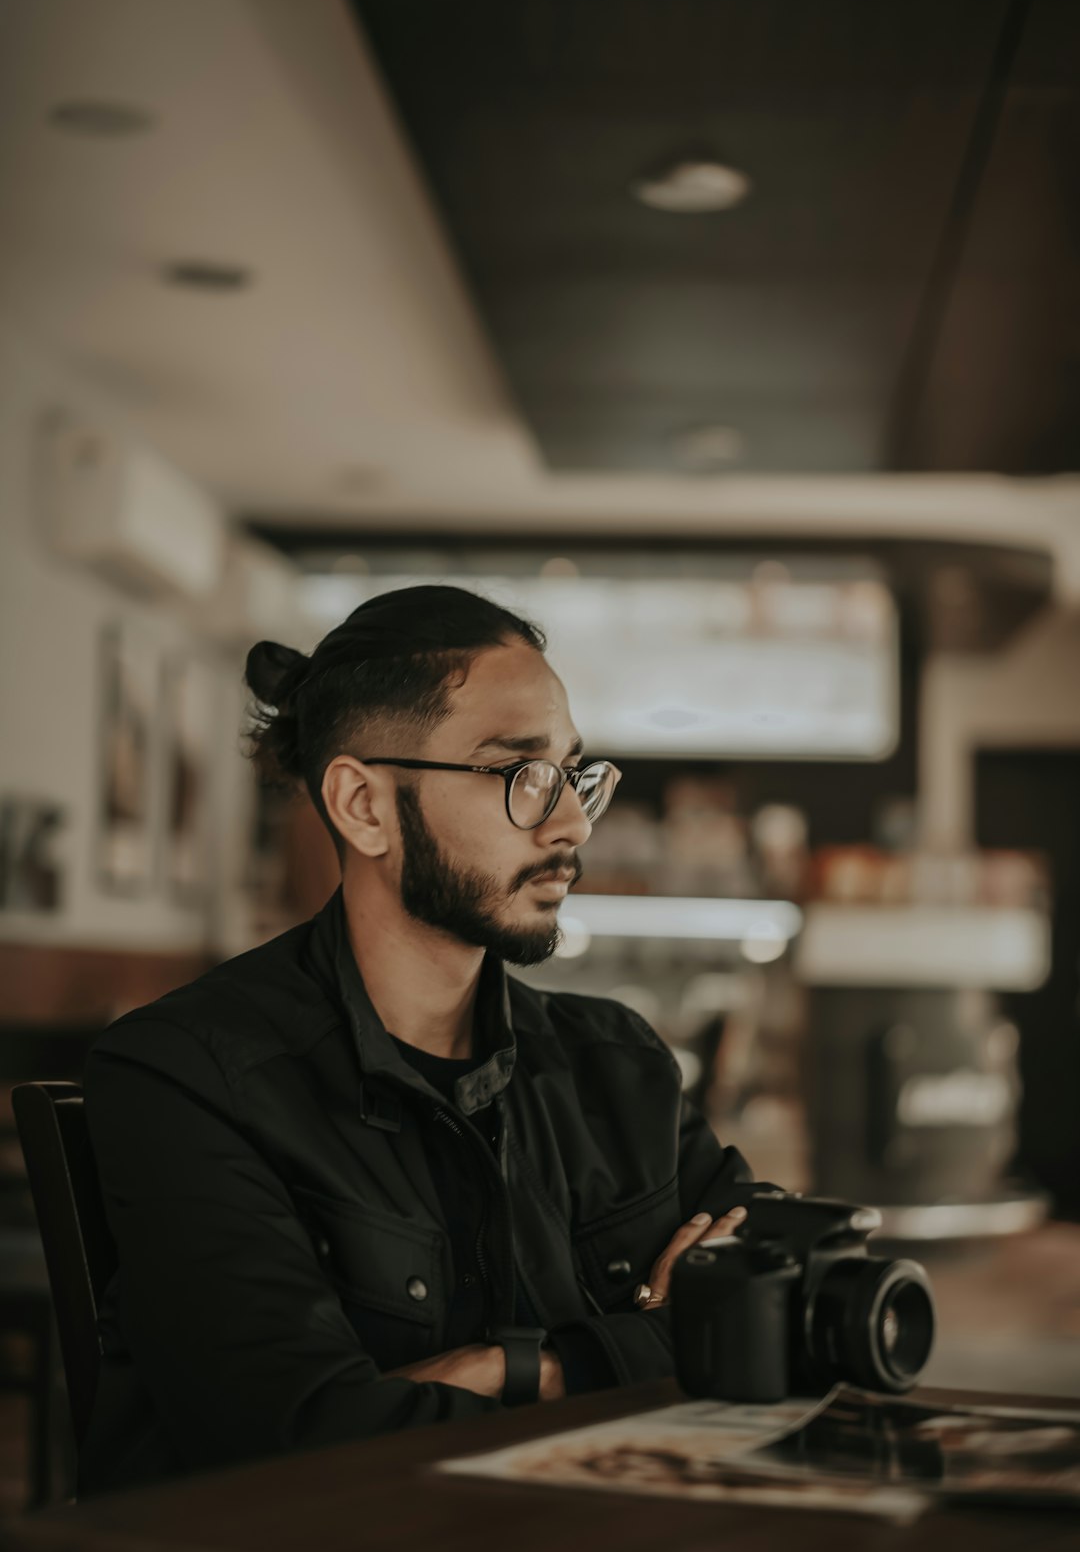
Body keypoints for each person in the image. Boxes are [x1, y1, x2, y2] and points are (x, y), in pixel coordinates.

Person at [78, 584, 755, 1496]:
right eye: (522, 774)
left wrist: (534, 1370)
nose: (573, 824)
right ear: (363, 806)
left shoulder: (617, 1063)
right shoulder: (188, 1078)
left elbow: (793, 1302)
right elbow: (298, 1445)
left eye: (574, 773)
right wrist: (655, 1347)